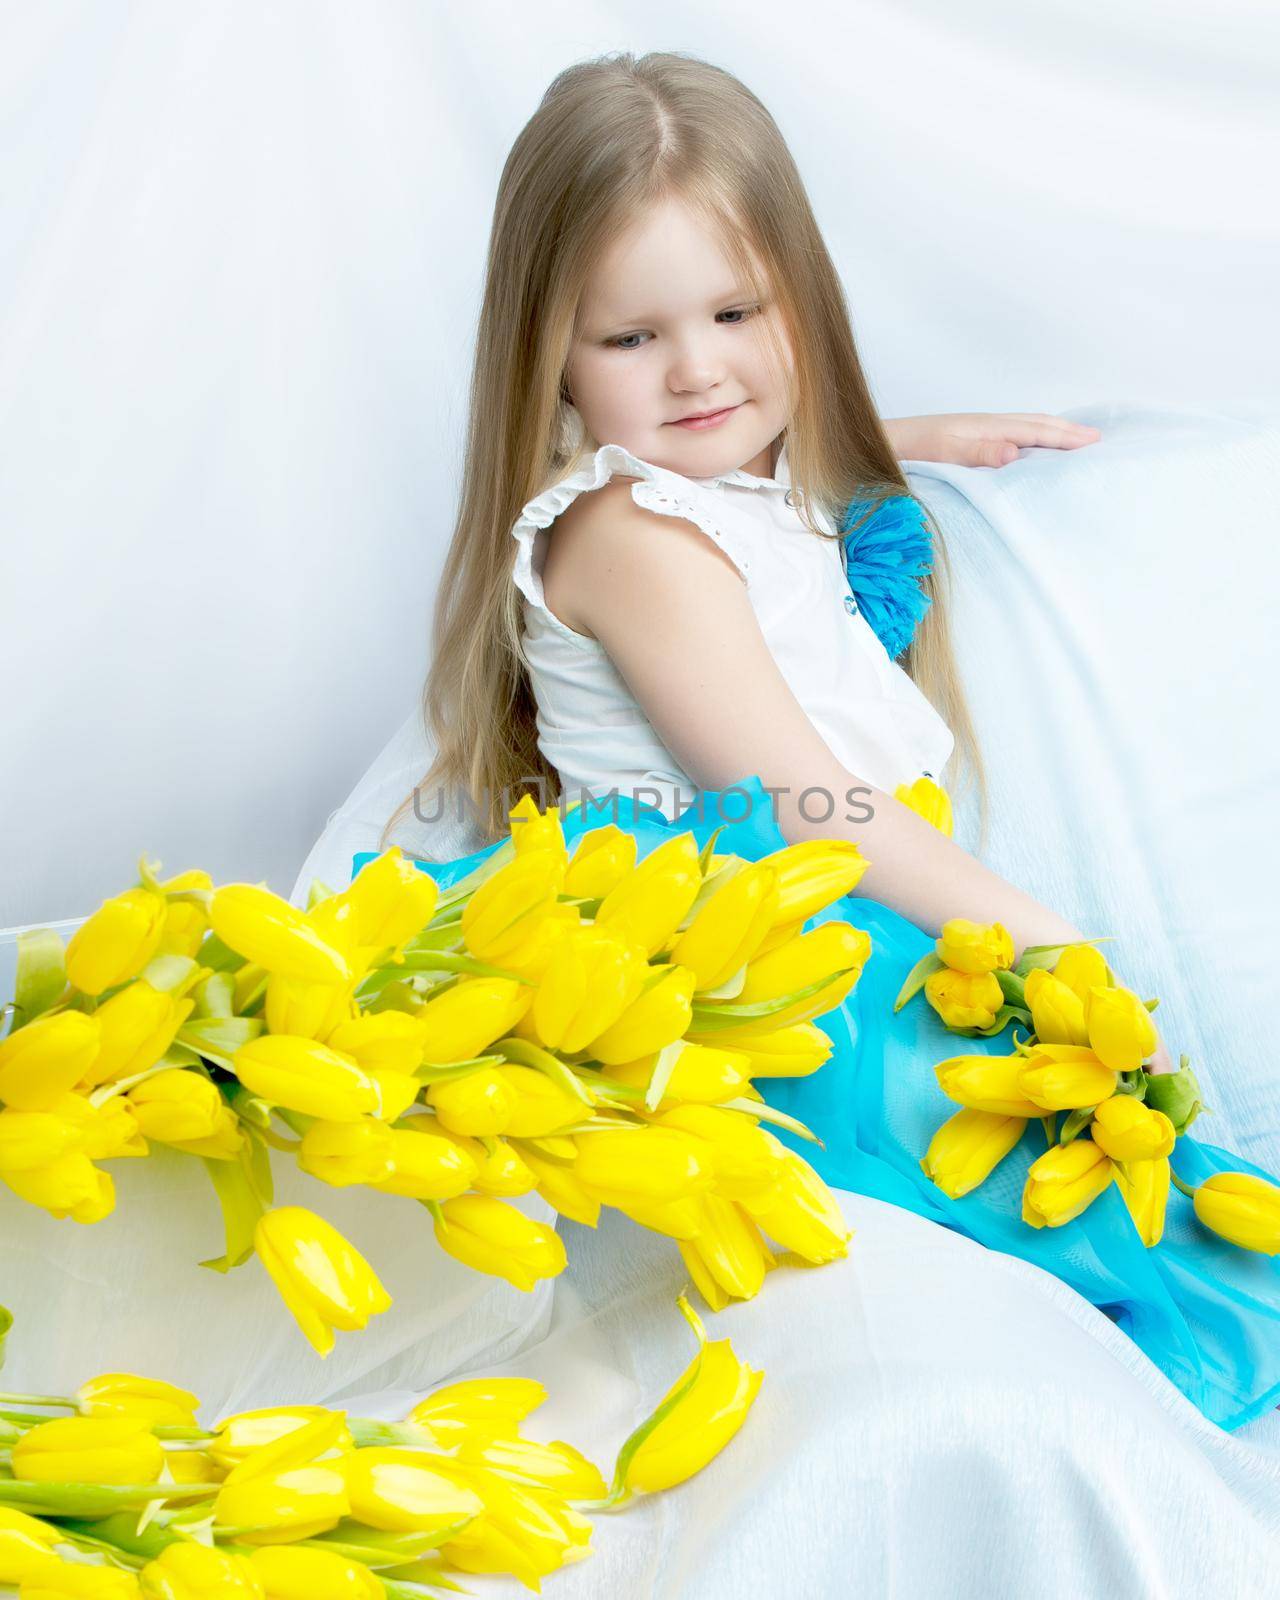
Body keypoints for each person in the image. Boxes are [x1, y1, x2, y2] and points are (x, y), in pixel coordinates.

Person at [366, 49, 1280, 1593]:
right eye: (633, 337)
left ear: (800, 297)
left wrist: (903, 434)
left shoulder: (706, 484)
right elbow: (804, 801)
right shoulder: (623, 537)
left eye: (737, 314)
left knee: (1135, 1177)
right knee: (1104, 1192)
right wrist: (1034, 927)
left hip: (822, 910)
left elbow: (752, 480)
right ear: (553, 362)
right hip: (755, 955)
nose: (698, 371)